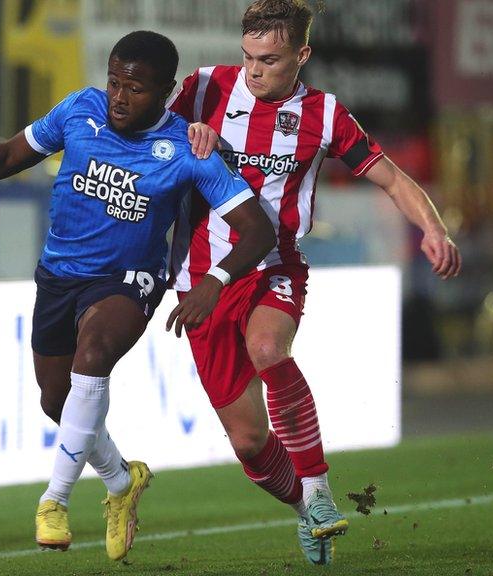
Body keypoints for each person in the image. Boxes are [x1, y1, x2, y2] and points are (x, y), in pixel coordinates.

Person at [0, 31, 276, 562]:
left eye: (136, 89)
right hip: (58, 276)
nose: (119, 97)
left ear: (166, 91)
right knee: (58, 399)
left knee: (93, 356)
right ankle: (121, 481)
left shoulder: (190, 152)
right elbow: (9, 155)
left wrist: (215, 281)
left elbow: (257, 230)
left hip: (128, 281)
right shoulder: (80, 110)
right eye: (114, 82)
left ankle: (55, 500)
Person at [167, 0, 462, 565]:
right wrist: (182, 133)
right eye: (248, 57)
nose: (254, 72)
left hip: (274, 267)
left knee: (267, 348)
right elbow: (146, 136)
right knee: (250, 444)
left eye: (270, 60)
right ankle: (308, 509)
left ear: (302, 55)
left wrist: (433, 229)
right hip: (199, 279)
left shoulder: (325, 114)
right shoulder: (204, 88)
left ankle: (320, 489)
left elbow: (393, 178)